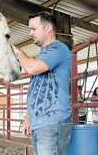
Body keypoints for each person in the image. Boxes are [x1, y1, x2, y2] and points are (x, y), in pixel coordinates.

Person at [13, 11, 71, 155]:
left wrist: (16, 51)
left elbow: (31, 68)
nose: (30, 33)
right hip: (40, 123)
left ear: (48, 28)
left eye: (33, 29)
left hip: (53, 122)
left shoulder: (59, 49)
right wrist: (28, 117)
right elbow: (36, 88)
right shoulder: (42, 56)